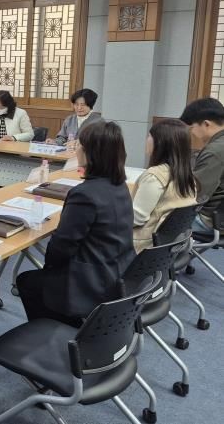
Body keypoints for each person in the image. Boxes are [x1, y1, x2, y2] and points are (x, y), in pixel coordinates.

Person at [17, 121, 135, 326]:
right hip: (119, 271)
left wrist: (51, 270)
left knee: (28, 282)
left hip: (93, 281)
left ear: (92, 153)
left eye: (80, 144)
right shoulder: (119, 185)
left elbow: (61, 247)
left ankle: (61, 333)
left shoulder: (85, 194)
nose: (76, 149)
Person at [132, 120, 197, 253]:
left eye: (149, 136)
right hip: (169, 247)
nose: (146, 140)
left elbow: (136, 219)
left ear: (160, 143)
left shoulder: (155, 176)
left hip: (142, 247)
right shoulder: (187, 176)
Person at [179, 97, 224, 233]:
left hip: (210, 220)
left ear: (206, 124)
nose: (191, 133)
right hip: (219, 216)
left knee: (156, 223)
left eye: (192, 127)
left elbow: (195, 193)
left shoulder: (214, 151)